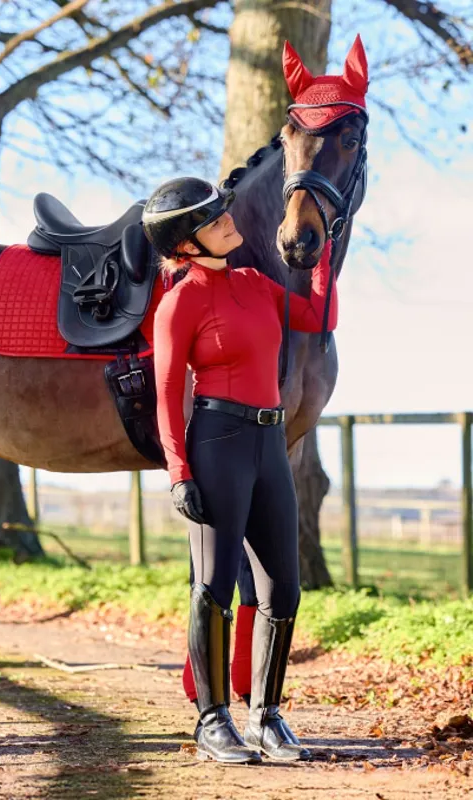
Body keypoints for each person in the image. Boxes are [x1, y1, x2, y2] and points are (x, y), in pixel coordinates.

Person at [142, 177, 337, 764]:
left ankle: (267, 715)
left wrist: (325, 248)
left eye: (224, 210)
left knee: (284, 588)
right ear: (186, 244)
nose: (229, 219)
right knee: (214, 588)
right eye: (214, 219)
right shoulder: (180, 301)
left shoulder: (257, 284)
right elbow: (168, 392)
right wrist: (180, 471)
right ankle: (211, 719)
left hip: (269, 441)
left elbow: (317, 314)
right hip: (216, 443)